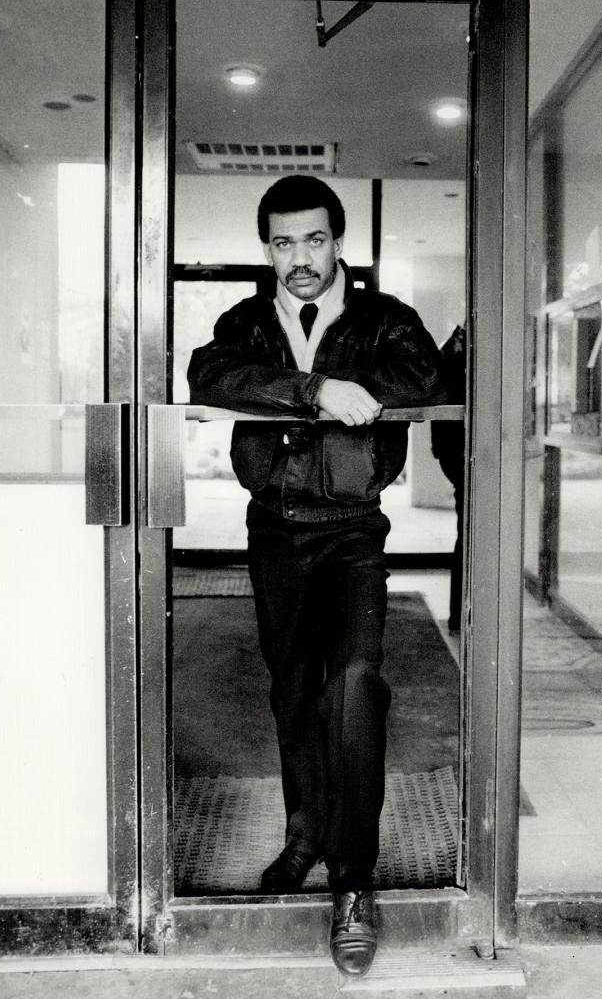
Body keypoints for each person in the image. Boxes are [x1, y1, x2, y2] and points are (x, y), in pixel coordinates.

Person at [187, 175, 447, 977]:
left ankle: (355, 881)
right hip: (274, 533)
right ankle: (305, 834)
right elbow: (209, 377)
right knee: (293, 687)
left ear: (340, 244)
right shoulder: (243, 323)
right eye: (282, 243)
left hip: (351, 533)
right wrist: (314, 390)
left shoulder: (385, 320)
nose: (298, 259)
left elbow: (426, 379)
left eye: (313, 241)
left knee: (356, 681)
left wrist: (355, 385)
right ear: (267, 248)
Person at [430, 323, 466, 634]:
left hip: (453, 454)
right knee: (468, 535)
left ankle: (459, 617)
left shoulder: (450, 349)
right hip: (462, 455)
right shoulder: (456, 354)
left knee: (466, 534)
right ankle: (460, 617)